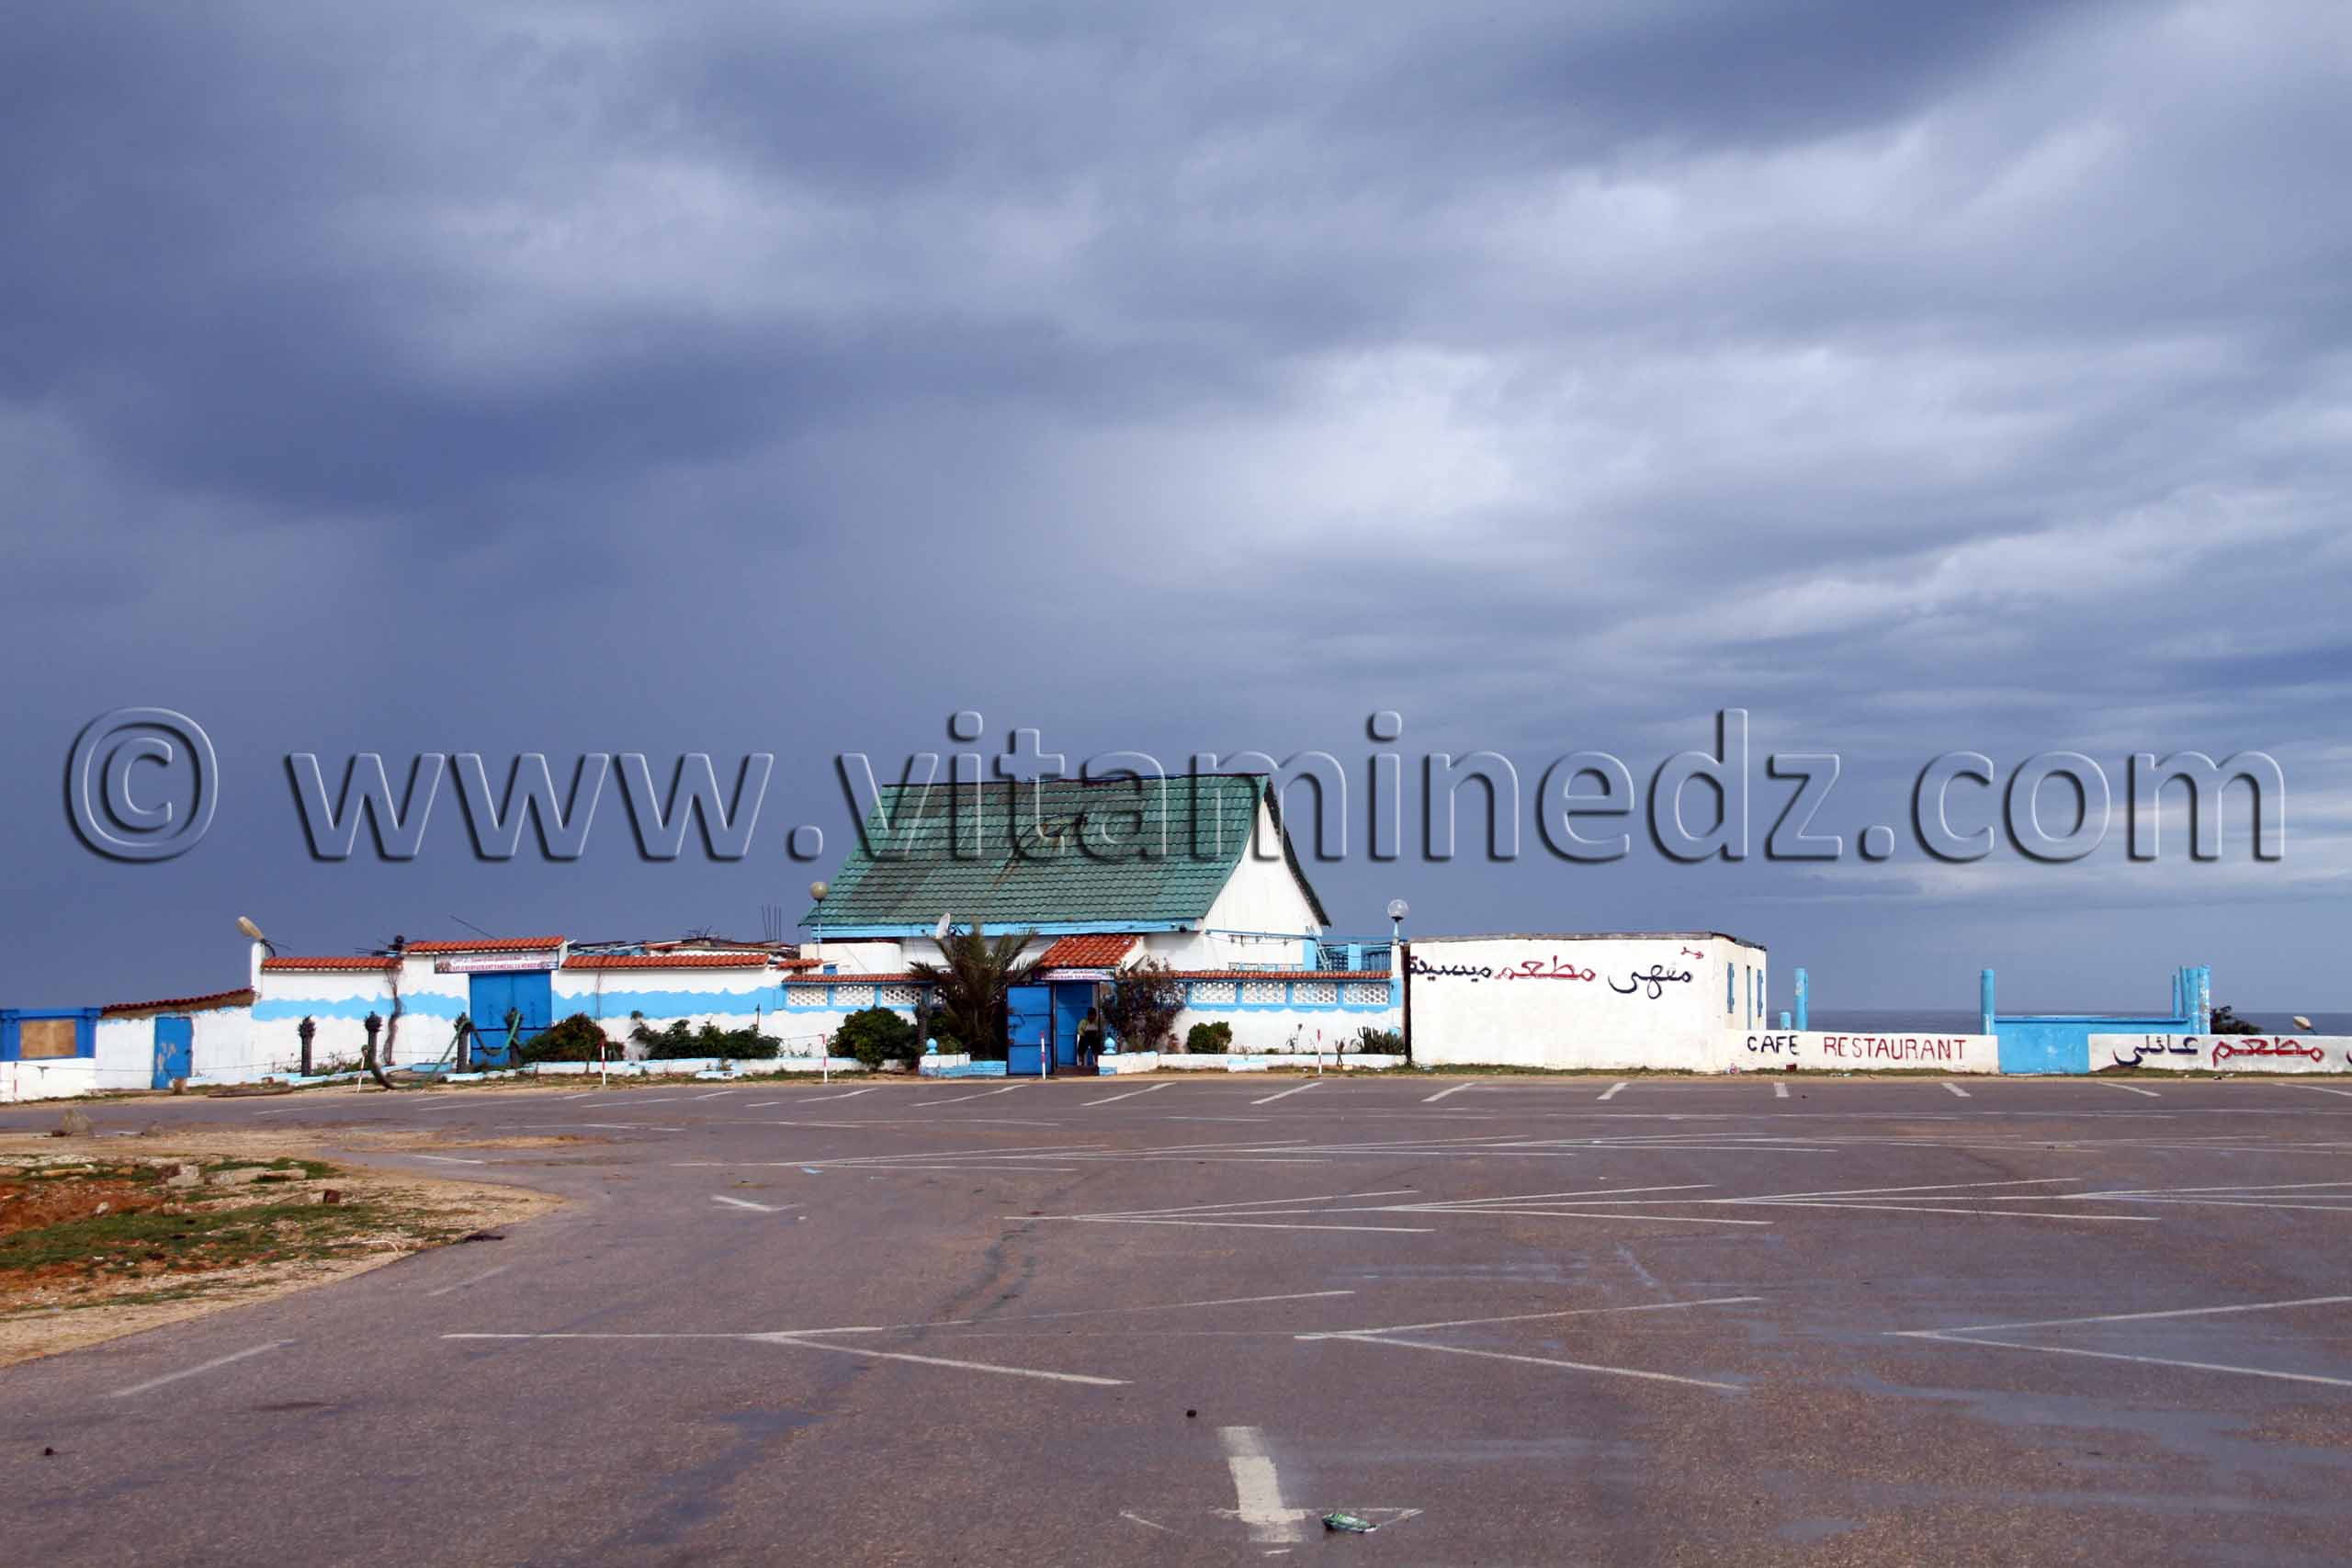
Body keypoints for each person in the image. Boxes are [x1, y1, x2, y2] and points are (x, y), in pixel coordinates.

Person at [1078, 1006, 1106, 1071]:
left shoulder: (1097, 1022)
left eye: (1093, 1016)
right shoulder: (1083, 1022)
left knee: (1096, 1045)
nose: (1091, 1017)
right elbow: (1079, 1030)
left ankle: (1096, 1063)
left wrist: (1098, 1034)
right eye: (1090, 1015)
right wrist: (1083, 1034)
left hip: (1094, 1038)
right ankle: (1080, 1062)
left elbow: (1100, 1030)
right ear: (1088, 1015)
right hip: (1085, 1037)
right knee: (1081, 1045)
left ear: (1095, 1016)